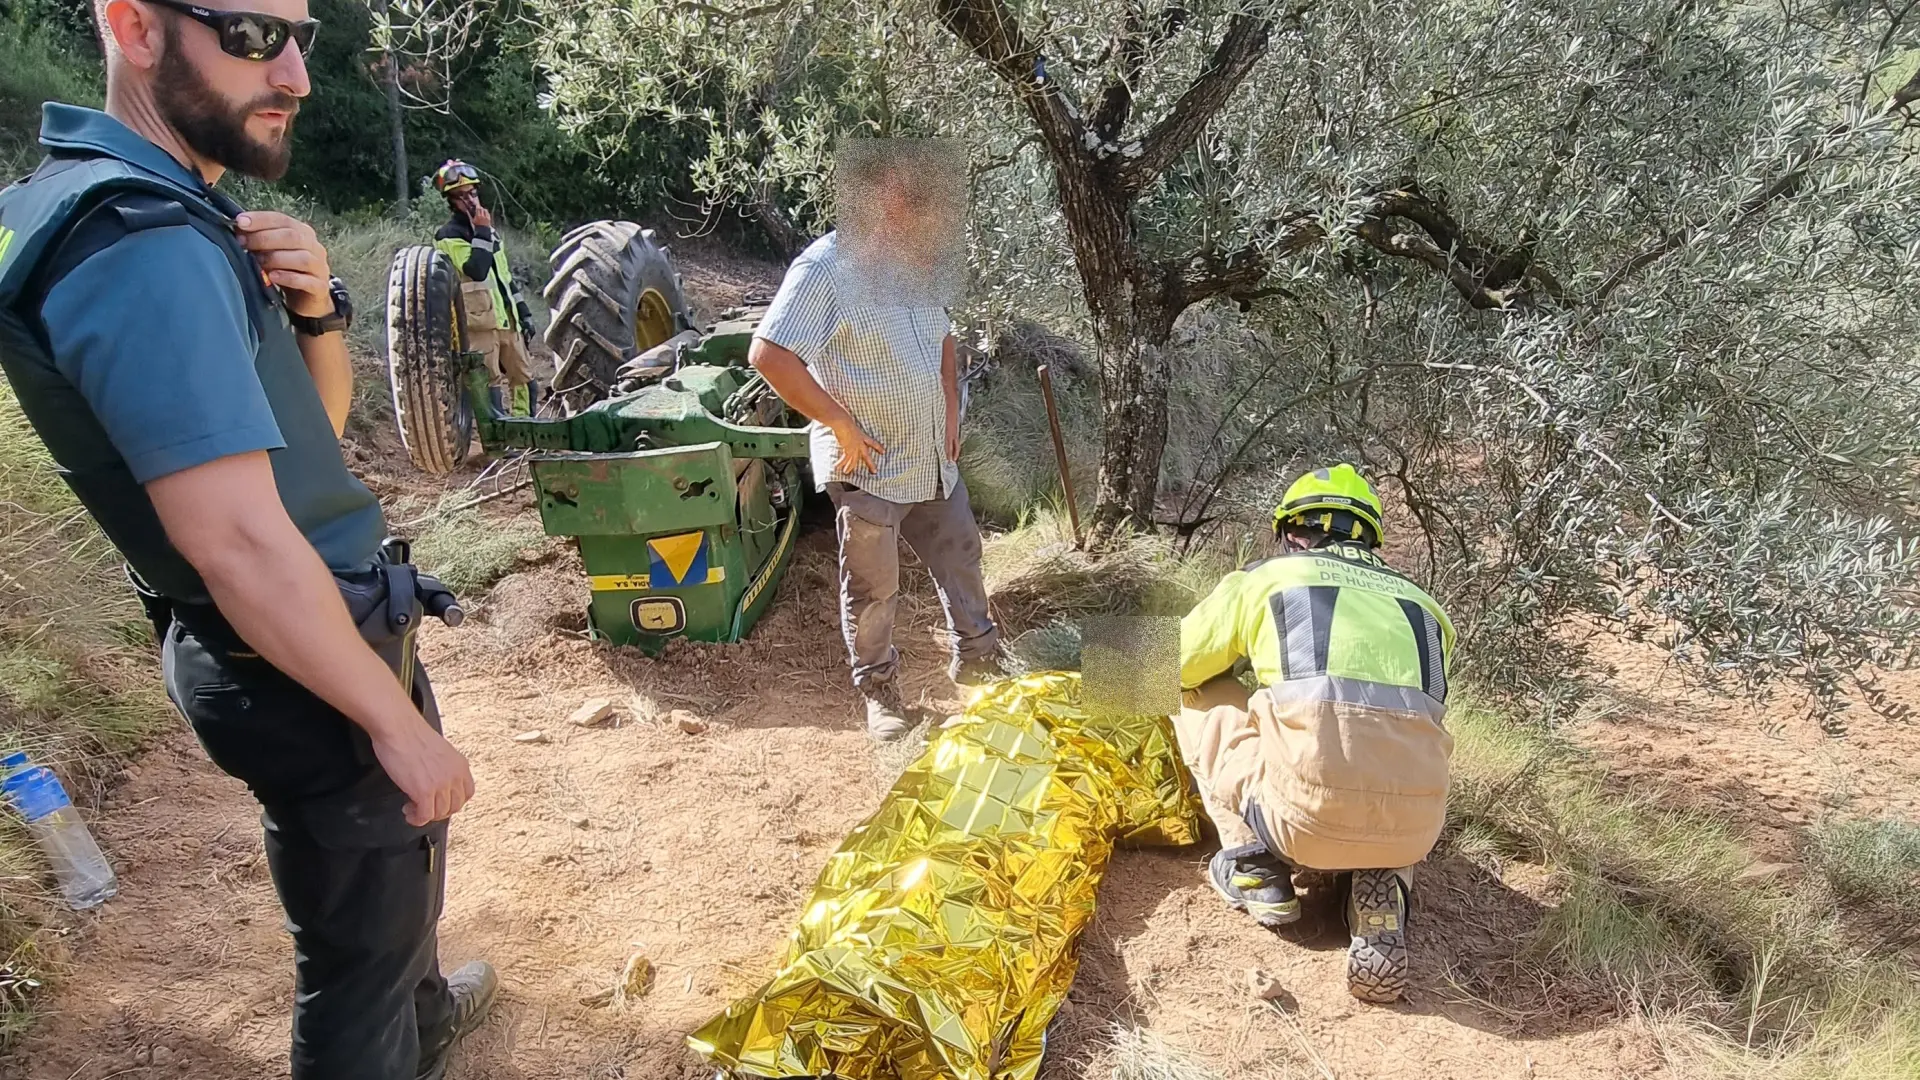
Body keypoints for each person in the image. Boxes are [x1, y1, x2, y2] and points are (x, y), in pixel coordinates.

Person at [0, 1, 495, 1075]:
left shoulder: (150, 208)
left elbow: (297, 440)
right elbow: (233, 538)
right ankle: (396, 1026)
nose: (298, 74)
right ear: (134, 27)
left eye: (303, 35)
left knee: (384, 882)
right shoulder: (136, 242)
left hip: (298, 632)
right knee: (355, 956)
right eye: (252, 34)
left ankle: (426, 1009)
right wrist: (392, 725)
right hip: (295, 653)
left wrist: (314, 313)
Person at [747, 146, 1001, 742]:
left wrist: (948, 406)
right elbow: (770, 355)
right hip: (869, 465)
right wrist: (837, 423)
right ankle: (882, 696)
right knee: (873, 590)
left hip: (930, 457)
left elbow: (942, 338)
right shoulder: (826, 270)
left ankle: (981, 657)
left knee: (961, 553)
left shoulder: (917, 262)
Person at [1176, 465, 1454, 1003]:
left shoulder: (1269, 578)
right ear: (1369, 537)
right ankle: (1384, 885)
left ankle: (1256, 862)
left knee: (1200, 693)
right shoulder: (1427, 609)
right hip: (1417, 827)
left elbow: (1178, 662)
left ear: (1290, 532)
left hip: (1301, 820)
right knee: (1399, 746)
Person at [430, 159, 535, 418]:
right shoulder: (448, 236)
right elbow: (476, 268)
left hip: (507, 321)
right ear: (450, 200)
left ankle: (527, 428)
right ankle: (500, 440)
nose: (471, 201)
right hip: (479, 325)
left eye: (473, 193)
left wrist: (523, 312)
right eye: (462, 196)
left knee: (525, 379)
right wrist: (481, 231)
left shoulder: (488, 231)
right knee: (489, 383)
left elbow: (505, 277)